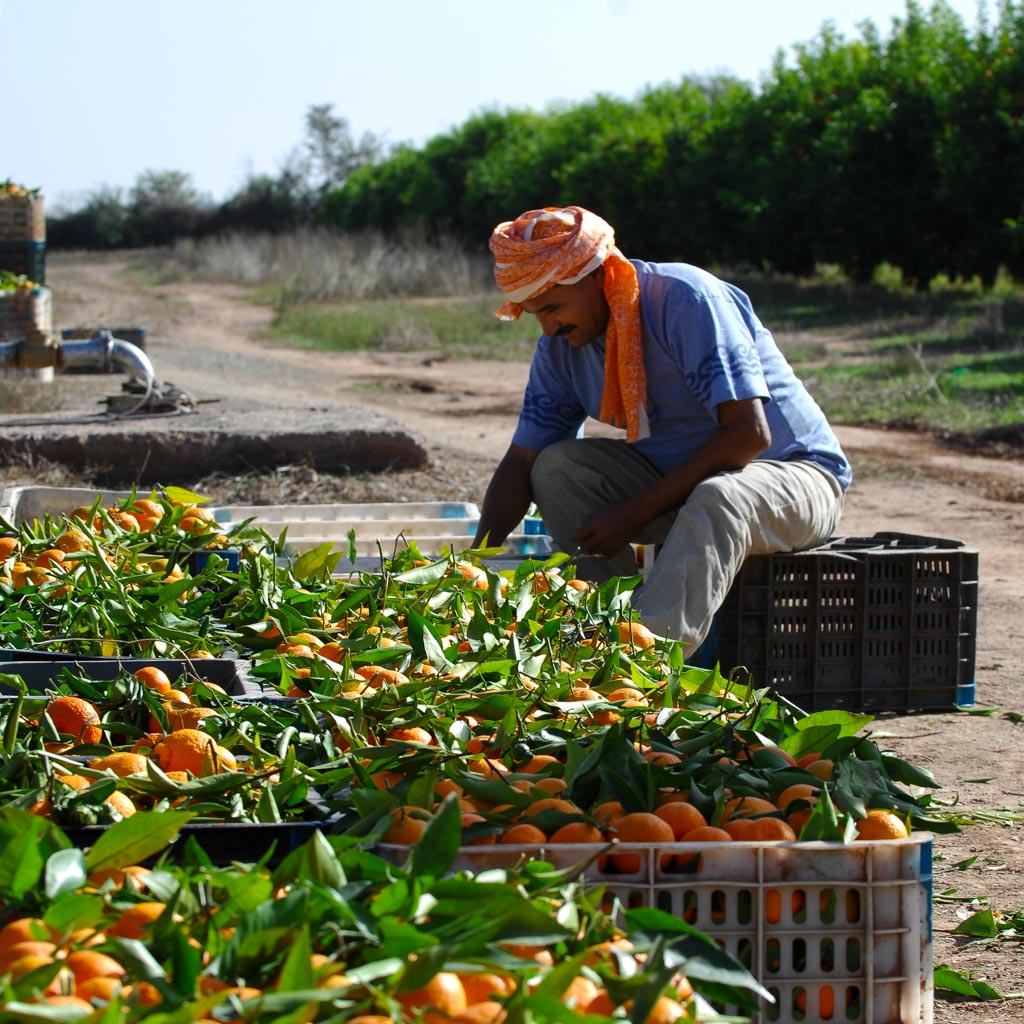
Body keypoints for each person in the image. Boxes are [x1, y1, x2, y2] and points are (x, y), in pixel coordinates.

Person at [472, 205, 851, 649]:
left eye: (553, 306)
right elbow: (523, 460)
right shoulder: (563, 348)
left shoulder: (684, 299)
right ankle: (597, 631)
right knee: (557, 468)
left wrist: (636, 511)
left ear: (598, 276)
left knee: (720, 495)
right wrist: (473, 567)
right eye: (536, 313)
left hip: (793, 478)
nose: (550, 326)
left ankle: (643, 660)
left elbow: (749, 434)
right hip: (682, 492)